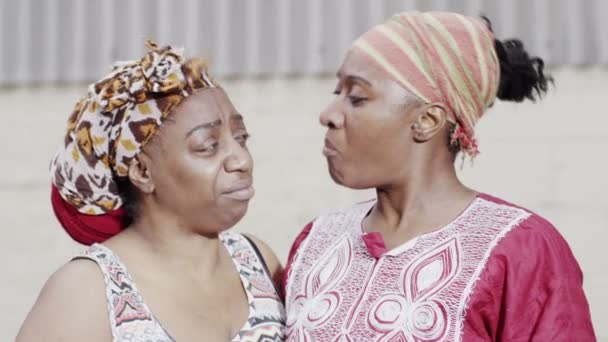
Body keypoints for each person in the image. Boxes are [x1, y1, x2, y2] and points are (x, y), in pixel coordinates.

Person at [283, 11, 596, 341]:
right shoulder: (316, 242)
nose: (328, 115)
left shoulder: (520, 248)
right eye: (337, 93)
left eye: (357, 97)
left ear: (428, 120)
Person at [17, 41, 285, 342]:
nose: (242, 160)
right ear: (143, 173)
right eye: (208, 146)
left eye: (241, 138)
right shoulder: (86, 291)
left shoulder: (258, 262)